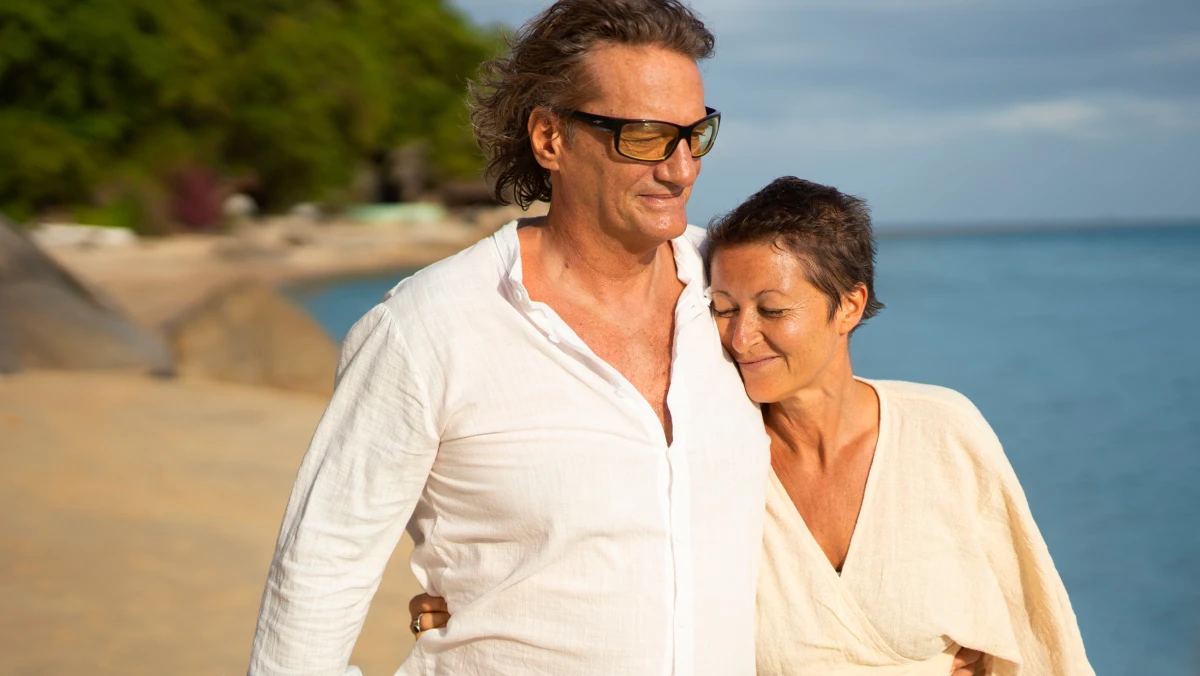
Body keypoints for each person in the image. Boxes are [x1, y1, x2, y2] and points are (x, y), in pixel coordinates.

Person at [248, 1, 772, 674]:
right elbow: (321, 568)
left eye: (693, 134)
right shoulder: (428, 326)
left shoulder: (734, 297)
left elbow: (828, 447)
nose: (680, 170)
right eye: (644, 137)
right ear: (550, 139)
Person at [410, 178, 1095, 675]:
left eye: (773, 309)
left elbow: (1036, 628)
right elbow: (601, 568)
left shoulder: (943, 431)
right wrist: (472, 605)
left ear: (849, 305)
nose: (742, 337)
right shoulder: (710, 454)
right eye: (724, 308)